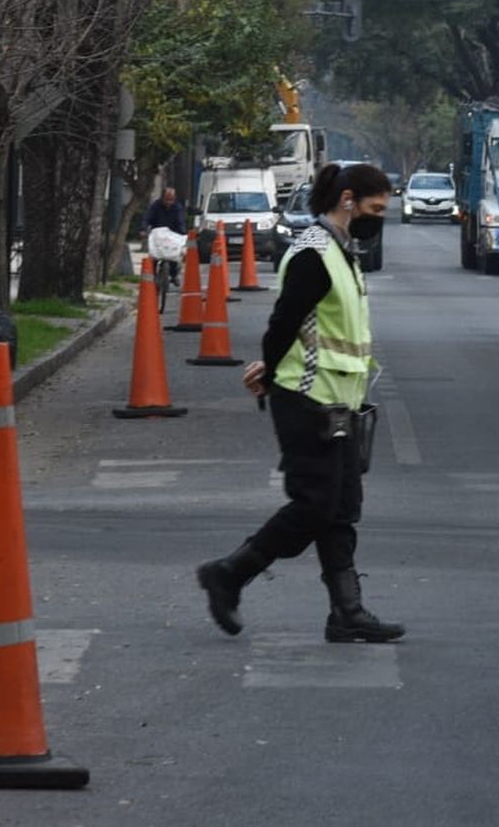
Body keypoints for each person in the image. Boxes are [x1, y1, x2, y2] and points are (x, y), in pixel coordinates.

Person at [196, 162, 404, 644]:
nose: (378, 218)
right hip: (307, 398)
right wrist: (268, 373)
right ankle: (230, 572)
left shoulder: (342, 251)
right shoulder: (313, 252)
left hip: (341, 402)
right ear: (348, 199)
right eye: (375, 208)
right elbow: (284, 321)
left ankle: (347, 612)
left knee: (341, 508)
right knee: (314, 505)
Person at [143, 187, 185, 282]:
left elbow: (180, 222)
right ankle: (151, 277)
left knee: (174, 256)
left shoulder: (177, 207)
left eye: (171, 200)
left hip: (172, 234)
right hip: (157, 234)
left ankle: (174, 275)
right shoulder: (155, 206)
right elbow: (147, 218)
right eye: (167, 199)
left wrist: (182, 234)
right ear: (162, 197)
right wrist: (143, 229)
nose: (169, 202)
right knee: (154, 256)